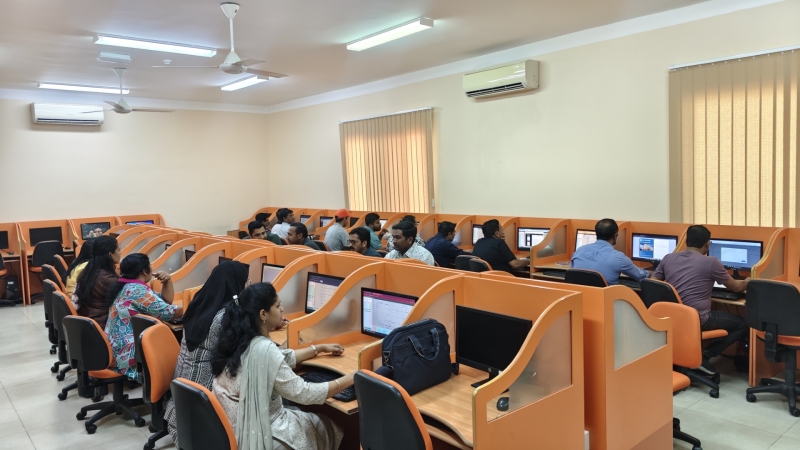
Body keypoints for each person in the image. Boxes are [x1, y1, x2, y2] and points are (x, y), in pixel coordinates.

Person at [211, 283, 352, 449]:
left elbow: (280, 357)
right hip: (260, 432)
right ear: (263, 314)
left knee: (300, 414)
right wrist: (352, 378)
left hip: (236, 428)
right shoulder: (264, 349)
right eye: (278, 306)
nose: (282, 309)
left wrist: (318, 349)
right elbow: (304, 393)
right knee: (327, 425)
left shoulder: (238, 339)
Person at [164, 261, 250, 446]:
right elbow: (243, 350)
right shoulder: (225, 316)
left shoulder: (199, 302)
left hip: (182, 385)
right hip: (201, 395)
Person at [653, 225, 749, 374]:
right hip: (698, 318)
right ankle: (706, 355)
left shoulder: (668, 258)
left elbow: (653, 283)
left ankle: (694, 355)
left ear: (686, 241)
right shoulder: (711, 262)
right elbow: (736, 287)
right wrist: (748, 281)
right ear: (707, 244)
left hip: (673, 317)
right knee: (744, 324)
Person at [105, 253, 182, 381]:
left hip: (115, 348)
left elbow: (165, 301)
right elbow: (168, 312)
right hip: (126, 354)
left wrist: (167, 281)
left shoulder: (127, 286)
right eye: (150, 266)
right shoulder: (136, 290)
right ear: (145, 271)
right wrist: (195, 305)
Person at [571, 219, 649, 285]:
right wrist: (652, 273)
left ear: (596, 234)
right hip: (605, 297)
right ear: (615, 236)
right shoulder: (619, 258)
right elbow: (641, 276)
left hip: (580, 296)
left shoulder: (579, 251)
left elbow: (572, 273)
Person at [75, 235, 121, 329]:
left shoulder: (87, 272)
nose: (121, 253)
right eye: (118, 250)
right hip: (103, 325)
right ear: (110, 254)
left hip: (89, 323)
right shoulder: (109, 280)